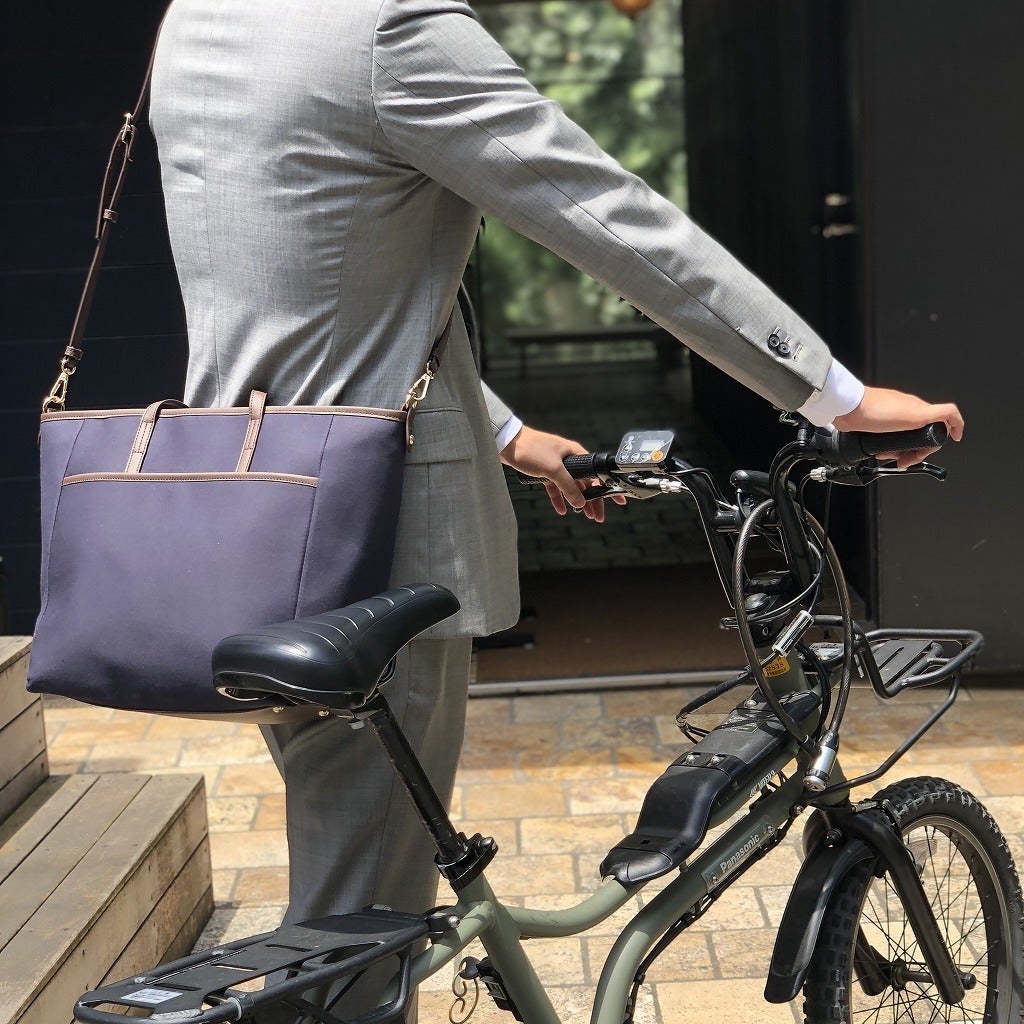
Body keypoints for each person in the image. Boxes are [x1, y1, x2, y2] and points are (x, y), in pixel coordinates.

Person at [149, 0, 963, 1015]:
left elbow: (323, 281)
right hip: (372, 534)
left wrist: (504, 434)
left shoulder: (201, 21)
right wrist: (832, 394)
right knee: (357, 935)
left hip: (251, 506)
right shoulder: (390, 28)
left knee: (349, 877)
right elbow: (606, 213)